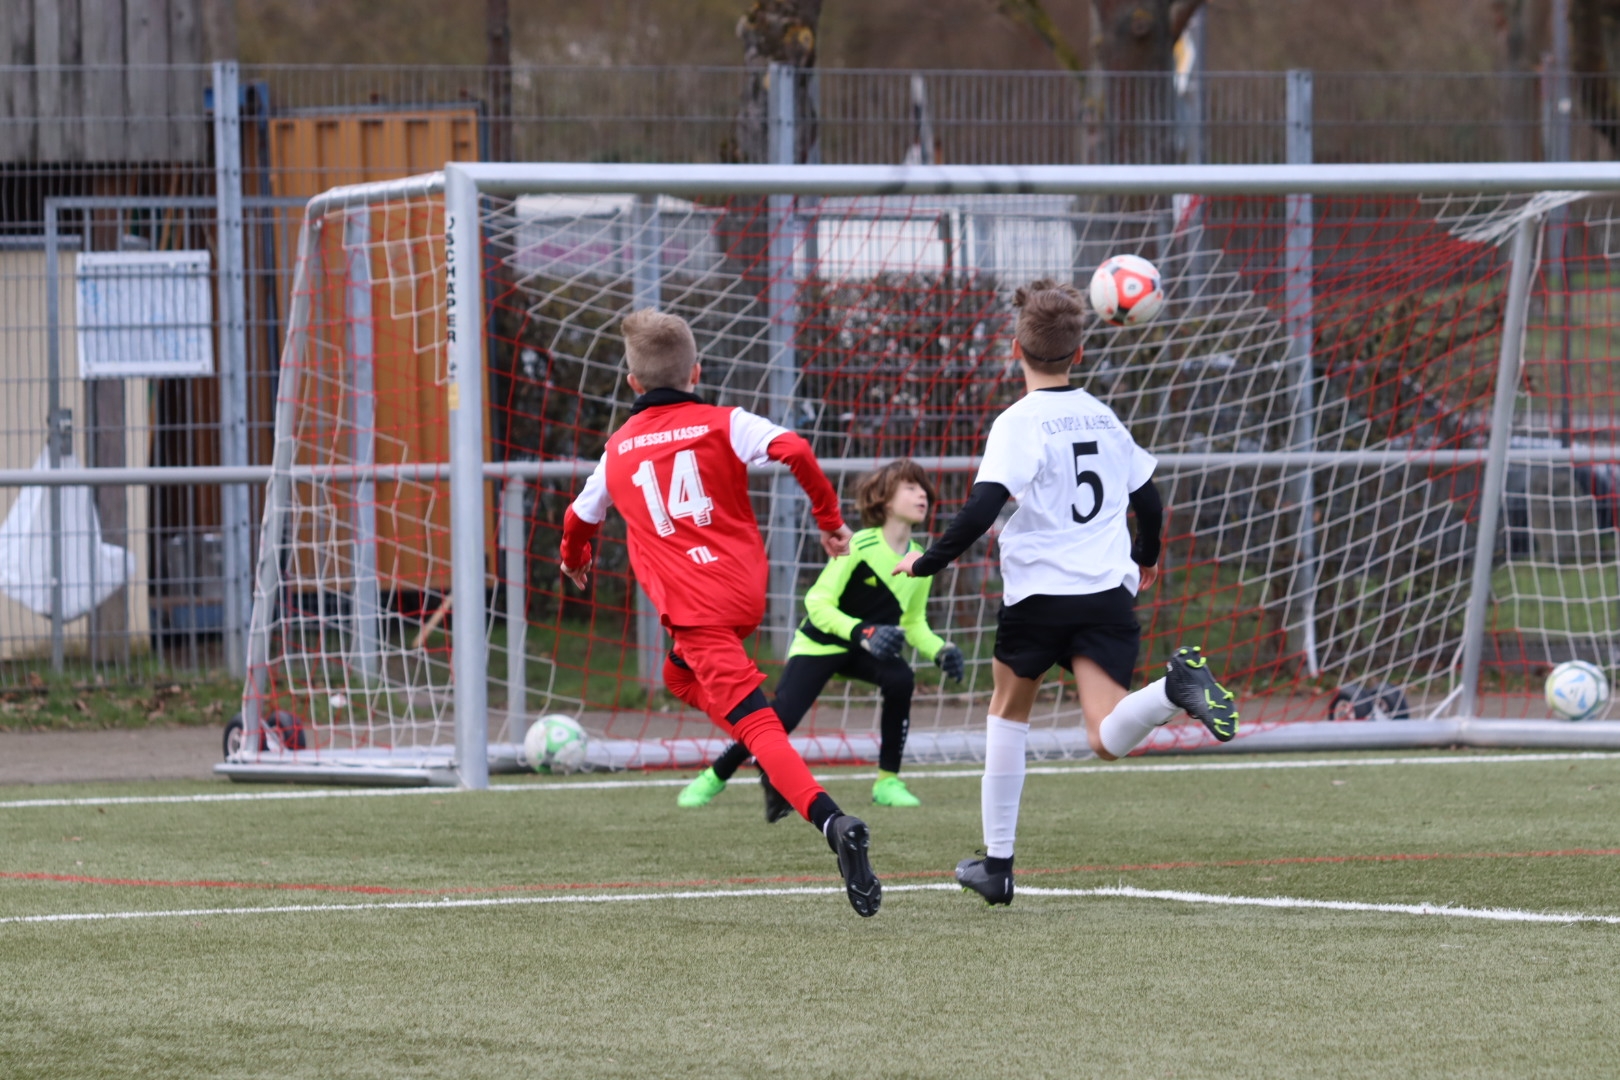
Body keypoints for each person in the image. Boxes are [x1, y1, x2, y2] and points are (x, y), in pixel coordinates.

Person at [893, 278, 1238, 907]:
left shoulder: (1018, 421)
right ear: (1079, 353)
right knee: (1105, 737)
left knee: (1007, 711)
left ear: (1014, 350)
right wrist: (1147, 556)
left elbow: (982, 508)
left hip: (1038, 597)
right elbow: (1149, 499)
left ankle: (998, 867)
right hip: (1106, 591)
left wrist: (927, 562)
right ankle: (1172, 691)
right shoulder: (1104, 417)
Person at [558, 308, 882, 917]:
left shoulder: (617, 449)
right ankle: (765, 750)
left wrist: (575, 560)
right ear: (696, 372)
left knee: (757, 725)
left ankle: (833, 822)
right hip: (743, 595)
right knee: (678, 676)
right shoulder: (726, 422)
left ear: (632, 383)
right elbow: (794, 448)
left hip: (696, 609)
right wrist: (830, 521)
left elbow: (579, 518)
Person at [677, 459, 966, 817]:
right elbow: (817, 603)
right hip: (821, 644)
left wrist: (940, 650)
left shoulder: (920, 559)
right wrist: (862, 631)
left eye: (923, 488)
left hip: (865, 649)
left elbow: (913, 621)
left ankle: (887, 782)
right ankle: (716, 774)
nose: (921, 494)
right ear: (886, 501)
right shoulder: (859, 545)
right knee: (779, 720)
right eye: (910, 487)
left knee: (901, 678)